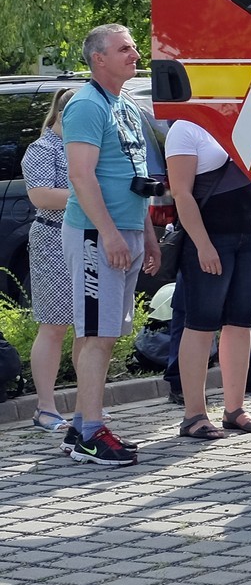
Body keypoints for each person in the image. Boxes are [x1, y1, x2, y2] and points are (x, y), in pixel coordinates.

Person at [60, 24, 160, 466]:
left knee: (102, 333)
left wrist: (147, 235)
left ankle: (79, 427)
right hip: (95, 234)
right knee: (98, 335)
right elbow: (81, 177)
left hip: (127, 230)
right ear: (98, 59)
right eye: (124, 49)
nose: (135, 55)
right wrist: (110, 233)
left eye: (134, 47)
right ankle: (91, 434)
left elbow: (136, 176)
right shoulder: (86, 105)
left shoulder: (126, 104)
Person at [163, 118, 251, 439]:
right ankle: (194, 415)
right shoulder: (185, 128)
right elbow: (181, 194)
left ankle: (235, 410)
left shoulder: (237, 120)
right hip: (211, 239)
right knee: (201, 324)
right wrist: (203, 244)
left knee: (241, 321)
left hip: (250, 234)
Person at [21, 88, 78, 434]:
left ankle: (87, 405)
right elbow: (41, 196)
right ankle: (45, 407)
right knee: (54, 324)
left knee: (88, 326)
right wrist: (90, 193)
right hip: (53, 239)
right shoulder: (42, 149)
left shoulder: (84, 146)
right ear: (61, 114)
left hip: (87, 237)